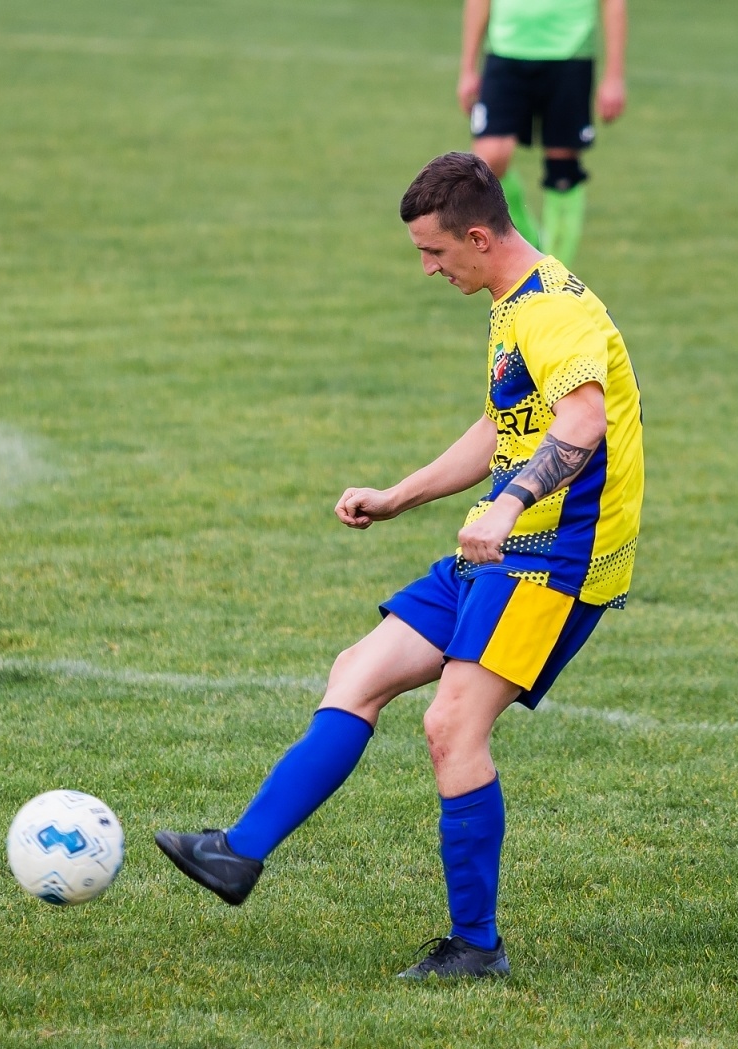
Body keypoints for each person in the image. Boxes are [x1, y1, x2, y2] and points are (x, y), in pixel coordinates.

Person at [155, 153, 644, 979]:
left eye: (434, 252)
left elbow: (583, 421)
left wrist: (507, 506)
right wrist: (399, 496)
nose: (427, 269)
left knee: (453, 728)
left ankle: (476, 947)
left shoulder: (554, 312)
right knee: (360, 671)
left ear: (479, 238)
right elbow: (502, 426)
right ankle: (238, 854)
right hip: (500, 547)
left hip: (555, 558)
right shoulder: (511, 302)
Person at [457, 0, 627, 266]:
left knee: (563, 168)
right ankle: (530, 248)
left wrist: (614, 76)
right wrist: (468, 68)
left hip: (570, 52)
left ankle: (556, 275)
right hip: (505, 51)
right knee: (488, 162)